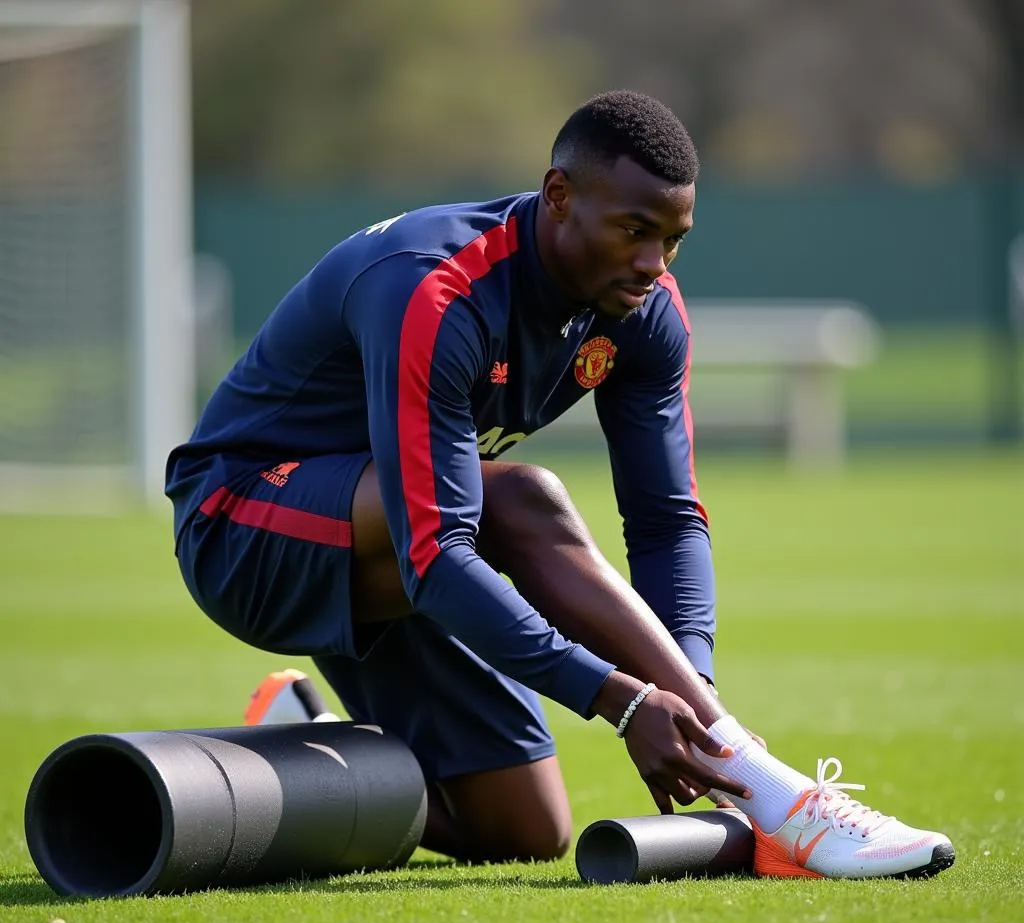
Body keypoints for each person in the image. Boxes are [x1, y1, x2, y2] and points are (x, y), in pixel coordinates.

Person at [167, 91, 954, 879]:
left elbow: (668, 522)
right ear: (559, 197)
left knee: (522, 825)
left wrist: (684, 692)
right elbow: (439, 552)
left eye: (674, 240)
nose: (654, 263)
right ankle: (780, 797)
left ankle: (297, 741)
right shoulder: (435, 290)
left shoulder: (646, 313)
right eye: (634, 232)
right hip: (238, 525)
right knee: (522, 499)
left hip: (401, 538)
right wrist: (627, 701)